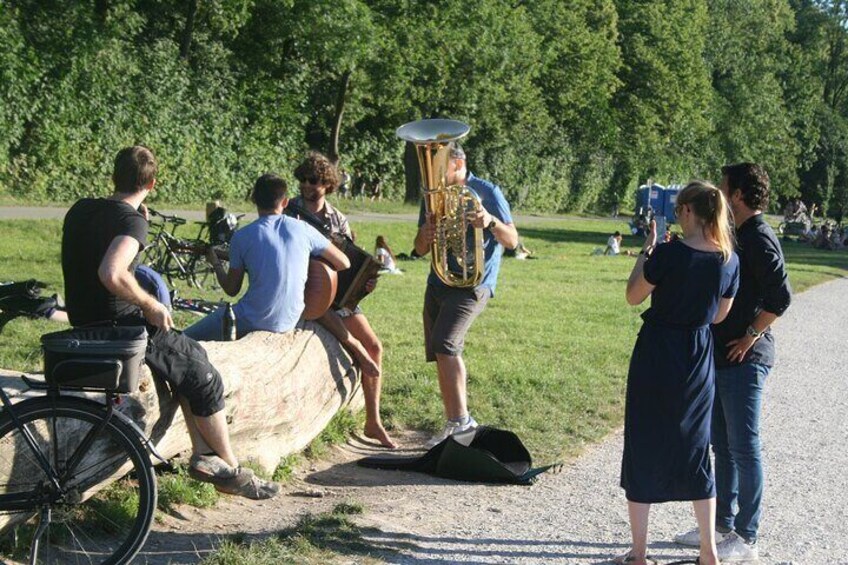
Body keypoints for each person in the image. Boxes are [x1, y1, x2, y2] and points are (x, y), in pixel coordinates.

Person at [61, 146, 279, 500]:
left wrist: (134, 219)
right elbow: (111, 272)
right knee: (205, 375)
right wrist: (150, 304)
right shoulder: (131, 221)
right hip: (119, 327)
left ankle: (205, 456)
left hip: (84, 319)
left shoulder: (81, 210)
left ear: (114, 177)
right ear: (153, 183)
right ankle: (231, 469)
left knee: (186, 362)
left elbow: (96, 245)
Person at [674, 163, 792, 562]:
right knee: (721, 447)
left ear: (738, 194)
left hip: (747, 358)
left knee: (744, 447)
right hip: (723, 356)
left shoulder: (759, 238)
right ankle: (721, 525)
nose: (720, 194)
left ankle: (747, 536)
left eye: (725, 188)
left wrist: (752, 334)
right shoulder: (737, 233)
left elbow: (782, 296)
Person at [618, 181, 739, 565]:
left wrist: (647, 250)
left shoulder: (668, 254)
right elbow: (720, 315)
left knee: (644, 442)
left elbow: (633, 295)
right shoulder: (728, 259)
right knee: (697, 447)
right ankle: (709, 550)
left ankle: (639, 554)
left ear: (687, 211)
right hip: (698, 355)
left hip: (658, 351)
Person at [414, 144, 518, 448]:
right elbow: (419, 249)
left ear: (459, 162)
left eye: (439, 164)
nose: (432, 173)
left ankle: (462, 423)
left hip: (474, 284)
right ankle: (453, 422)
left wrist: (489, 221)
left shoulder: (486, 191)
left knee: (446, 342)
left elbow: (512, 240)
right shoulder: (433, 195)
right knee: (440, 350)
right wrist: (427, 233)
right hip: (440, 281)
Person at [290, 152, 396, 449]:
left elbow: (355, 263)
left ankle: (373, 420)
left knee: (376, 346)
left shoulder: (339, 220)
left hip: (339, 295)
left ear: (327, 184)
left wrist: (367, 283)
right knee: (351, 337)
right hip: (304, 291)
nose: (307, 186)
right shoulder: (290, 212)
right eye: (303, 180)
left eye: (314, 181)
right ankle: (355, 349)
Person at [183, 173, 349, 340]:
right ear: (285, 201)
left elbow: (231, 289)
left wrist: (215, 263)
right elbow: (344, 262)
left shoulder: (241, 236)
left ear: (254, 200)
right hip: (290, 320)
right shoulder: (303, 229)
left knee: (184, 338)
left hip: (251, 319)